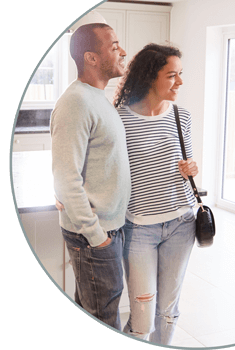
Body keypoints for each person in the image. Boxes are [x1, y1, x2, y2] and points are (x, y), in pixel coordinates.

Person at [113, 43, 198, 345]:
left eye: (180, 74)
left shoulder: (181, 116)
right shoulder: (119, 119)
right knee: (143, 317)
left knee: (168, 311)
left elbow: (184, 161)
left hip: (181, 223)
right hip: (138, 228)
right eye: (172, 75)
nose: (180, 82)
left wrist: (190, 168)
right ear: (150, 76)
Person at [50, 23, 131, 330]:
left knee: (95, 309)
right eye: (114, 46)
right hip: (93, 235)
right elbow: (65, 175)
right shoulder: (76, 102)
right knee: (104, 317)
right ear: (92, 58)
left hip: (106, 229)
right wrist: (97, 237)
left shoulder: (98, 97)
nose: (122, 51)